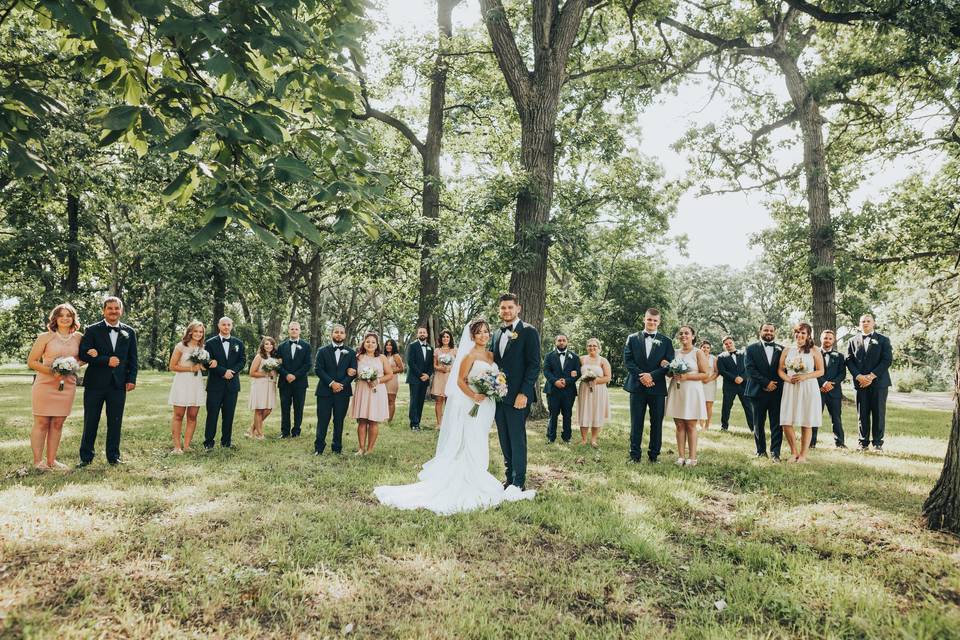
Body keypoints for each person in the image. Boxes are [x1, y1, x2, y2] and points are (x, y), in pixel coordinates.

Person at [374, 319, 535, 514]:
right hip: (472, 403)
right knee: (471, 438)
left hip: (488, 406)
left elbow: (499, 376)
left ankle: (479, 474)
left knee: (480, 438)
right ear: (472, 336)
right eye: (479, 332)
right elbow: (459, 381)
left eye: (486, 331)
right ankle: (471, 478)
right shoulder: (468, 355)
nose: (484, 335)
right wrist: (474, 395)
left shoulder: (491, 355)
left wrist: (496, 388)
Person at [77, 296, 138, 467]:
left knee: (115, 421)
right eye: (109, 308)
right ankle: (86, 457)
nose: (113, 311)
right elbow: (83, 354)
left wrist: (131, 379)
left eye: (116, 308)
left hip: (118, 384)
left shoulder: (129, 332)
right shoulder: (92, 330)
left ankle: (113, 456)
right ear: (103, 310)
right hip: (95, 383)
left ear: (121, 311)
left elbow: (133, 358)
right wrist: (105, 360)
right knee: (91, 420)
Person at [27, 303, 85, 471]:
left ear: (73, 318)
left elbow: (83, 358)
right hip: (45, 384)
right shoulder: (45, 337)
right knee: (42, 422)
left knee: (58, 422)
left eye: (69, 315)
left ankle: (52, 460)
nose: (65, 318)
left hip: (67, 385)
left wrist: (72, 366)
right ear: (55, 318)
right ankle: (38, 462)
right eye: (62, 315)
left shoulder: (78, 337)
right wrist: (53, 372)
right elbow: (32, 362)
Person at [491, 293, 541, 491]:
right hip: (498, 396)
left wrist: (524, 393)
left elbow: (534, 365)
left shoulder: (529, 331)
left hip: (519, 396)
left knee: (517, 438)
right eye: (503, 308)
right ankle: (509, 478)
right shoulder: (496, 334)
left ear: (518, 308)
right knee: (504, 437)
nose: (506, 311)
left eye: (510, 307)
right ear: (499, 310)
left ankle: (518, 481)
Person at [623, 308, 675, 463]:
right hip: (637, 387)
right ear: (644, 319)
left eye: (655, 320)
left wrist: (651, 376)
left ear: (659, 322)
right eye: (649, 319)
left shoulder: (666, 341)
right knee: (636, 421)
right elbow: (628, 361)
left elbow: (669, 364)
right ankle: (635, 455)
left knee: (656, 423)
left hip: (657, 387)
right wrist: (642, 376)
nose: (652, 322)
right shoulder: (632, 338)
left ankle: (654, 456)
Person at [777, 322, 825, 463]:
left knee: (806, 421)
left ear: (808, 335)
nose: (800, 335)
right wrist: (787, 378)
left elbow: (821, 371)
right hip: (790, 387)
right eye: (797, 332)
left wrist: (805, 376)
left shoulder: (815, 350)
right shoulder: (787, 350)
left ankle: (803, 455)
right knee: (786, 421)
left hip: (808, 387)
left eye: (803, 333)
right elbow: (780, 369)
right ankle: (794, 452)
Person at [846, 314, 893, 452]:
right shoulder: (852, 341)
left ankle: (878, 443)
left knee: (878, 413)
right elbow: (849, 360)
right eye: (862, 321)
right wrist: (859, 376)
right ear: (859, 324)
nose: (865, 323)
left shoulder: (883, 340)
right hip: (860, 383)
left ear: (873, 323)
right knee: (862, 413)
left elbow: (887, 360)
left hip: (879, 383)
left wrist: (871, 376)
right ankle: (863, 443)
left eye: (868, 321)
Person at [665, 325, 709, 466]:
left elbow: (705, 374)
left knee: (690, 424)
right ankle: (681, 457)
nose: (683, 335)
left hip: (692, 390)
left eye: (687, 333)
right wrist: (670, 370)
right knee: (678, 424)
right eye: (681, 333)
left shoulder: (698, 353)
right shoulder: (674, 352)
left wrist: (687, 377)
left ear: (693, 336)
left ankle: (692, 457)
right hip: (677, 390)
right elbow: (669, 373)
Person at [167, 320, 212, 453]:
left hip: (196, 383)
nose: (198, 334)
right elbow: (172, 366)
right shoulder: (181, 346)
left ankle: (187, 445)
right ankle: (177, 447)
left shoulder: (202, 349)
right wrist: (191, 369)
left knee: (192, 415)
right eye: (196, 331)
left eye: (201, 331)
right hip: (182, 382)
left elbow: (202, 366)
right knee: (179, 415)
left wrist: (204, 365)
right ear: (190, 332)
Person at [314, 324, 357, 455]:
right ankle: (319, 448)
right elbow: (318, 369)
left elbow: (353, 372)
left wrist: (341, 385)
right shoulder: (322, 351)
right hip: (324, 392)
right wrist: (332, 383)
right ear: (331, 334)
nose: (339, 334)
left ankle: (337, 448)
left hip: (343, 392)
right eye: (336, 332)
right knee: (323, 420)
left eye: (341, 332)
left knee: (339, 420)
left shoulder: (351, 352)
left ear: (345, 335)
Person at [203, 317, 245, 451]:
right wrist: (223, 372)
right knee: (212, 414)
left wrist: (232, 372)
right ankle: (208, 442)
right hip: (215, 384)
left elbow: (242, 360)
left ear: (232, 326)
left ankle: (226, 442)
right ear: (219, 326)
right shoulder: (210, 343)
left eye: (228, 325)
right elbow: (207, 362)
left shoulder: (238, 343)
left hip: (232, 384)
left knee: (229, 414)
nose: (226, 327)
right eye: (223, 324)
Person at [745, 323, 783, 461]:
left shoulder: (782, 349)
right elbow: (750, 370)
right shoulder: (750, 349)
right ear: (760, 331)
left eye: (771, 330)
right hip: (757, 391)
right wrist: (766, 383)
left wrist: (773, 385)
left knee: (777, 423)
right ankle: (760, 451)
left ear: (775, 332)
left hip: (777, 392)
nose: (769, 332)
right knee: (758, 423)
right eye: (766, 330)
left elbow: (784, 370)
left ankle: (775, 453)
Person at [350, 332, 393, 455]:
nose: (370, 344)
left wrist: (377, 380)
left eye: (373, 342)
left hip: (377, 391)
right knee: (362, 420)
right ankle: (361, 448)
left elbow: (389, 374)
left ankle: (370, 450)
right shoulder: (358, 357)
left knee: (373, 420)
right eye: (368, 341)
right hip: (362, 390)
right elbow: (354, 373)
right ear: (364, 343)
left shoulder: (382, 358)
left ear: (377, 344)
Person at [543, 334, 580, 444]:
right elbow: (546, 371)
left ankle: (567, 437)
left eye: (564, 340)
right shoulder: (549, 356)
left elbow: (578, 372)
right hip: (553, 390)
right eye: (559, 340)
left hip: (568, 391)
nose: (561, 342)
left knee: (567, 415)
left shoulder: (575, 357)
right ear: (555, 342)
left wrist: (567, 381)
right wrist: (555, 381)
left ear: (567, 342)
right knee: (553, 414)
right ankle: (551, 438)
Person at [277, 321, 311, 439]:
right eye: (292, 329)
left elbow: (308, 365)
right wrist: (286, 375)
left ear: (300, 331)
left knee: (298, 407)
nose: (294, 331)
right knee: (285, 407)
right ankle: (284, 432)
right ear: (288, 330)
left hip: (300, 382)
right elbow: (278, 364)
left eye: (296, 329)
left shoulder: (306, 346)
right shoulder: (281, 346)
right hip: (284, 382)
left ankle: (296, 431)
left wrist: (295, 375)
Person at [576, 338, 611, 448]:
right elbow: (576, 373)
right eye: (590, 346)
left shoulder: (603, 361)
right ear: (586, 347)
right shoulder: (581, 359)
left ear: (599, 348)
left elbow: (608, 377)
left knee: (597, 413)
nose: (592, 348)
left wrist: (595, 381)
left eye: (594, 346)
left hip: (599, 390)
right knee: (584, 412)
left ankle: (594, 440)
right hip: (585, 389)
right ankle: (584, 439)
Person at [715, 336, 754, 433]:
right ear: (724, 346)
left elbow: (749, 368)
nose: (728, 345)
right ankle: (724, 427)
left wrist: (742, 377)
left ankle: (753, 428)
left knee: (748, 406)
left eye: (730, 343)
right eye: (726, 344)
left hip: (744, 385)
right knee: (726, 407)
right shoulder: (721, 357)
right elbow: (722, 371)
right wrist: (734, 378)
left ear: (733, 343)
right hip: (729, 385)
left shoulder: (744, 353)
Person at [817, 329, 847, 448]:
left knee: (836, 418)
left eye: (830, 338)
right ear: (821, 339)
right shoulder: (814, 353)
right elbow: (813, 371)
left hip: (834, 392)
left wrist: (831, 384)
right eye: (825, 338)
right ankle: (811, 442)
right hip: (818, 390)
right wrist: (823, 383)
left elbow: (842, 374)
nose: (827, 340)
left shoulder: (840, 356)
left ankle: (840, 443)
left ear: (833, 340)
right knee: (815, 417)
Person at [247, 336, 280, 440]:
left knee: (268, 410)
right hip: (260, 384)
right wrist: (265, 374)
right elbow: (252, 373)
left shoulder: (275, 357)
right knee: (259, 409)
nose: (269, 346)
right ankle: (260, 434)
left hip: (271, 385)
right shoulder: (259, 357)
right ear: (263, 345)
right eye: (266, 344)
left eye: (271, 344)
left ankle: (251, 429)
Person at [406, 326, 434, 431]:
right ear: (417, 334)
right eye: (420, 332)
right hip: (414, 378)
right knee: (414, 401)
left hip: (425, 379)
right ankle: (414, 424)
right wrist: (420, 375)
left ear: (427, 334)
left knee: (421, 401)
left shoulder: (430, 348)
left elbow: (431, 365)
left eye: (424, 332)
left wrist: (428, 375)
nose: (422, 334)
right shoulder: (412, 346)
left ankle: (418, 422)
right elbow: (410, 362)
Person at [431, 329, 456, 427]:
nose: (445, 339)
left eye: (447, 337)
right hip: (439, 377)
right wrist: (440, 368)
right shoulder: (437, 350)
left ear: (450, 338)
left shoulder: (454, 350)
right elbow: (434, 365)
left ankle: (449, 424)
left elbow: (458, 365)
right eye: (443, 337)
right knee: (439, 400)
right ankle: (439, 423)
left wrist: (450, 368)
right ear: (441, 339)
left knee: (449, 402)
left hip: (450, 378)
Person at [699, 340, 718, 429]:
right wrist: (701, 378)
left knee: (708, 405)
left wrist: (709, 379)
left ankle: (707, 425)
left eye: (708, 348)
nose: (705, 349)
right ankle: (700, 424)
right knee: (699, 404)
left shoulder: (713, 358)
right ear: (700, 348)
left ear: (710, 349)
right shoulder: (697, 357)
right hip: (699, 382)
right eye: (704, 347)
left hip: (710, 383)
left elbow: (717, 372)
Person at [383, 338, 404, 421]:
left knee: (391, 400)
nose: (388, 346)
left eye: (390, 345)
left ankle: (389, 420)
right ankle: (383, 417)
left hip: (392, 380)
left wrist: (390, 371)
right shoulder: (383, 356)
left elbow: (401, 369)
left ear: (393, 346)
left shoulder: (396, 356)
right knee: (384, 399)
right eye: (387, 345)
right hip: (383, 380)